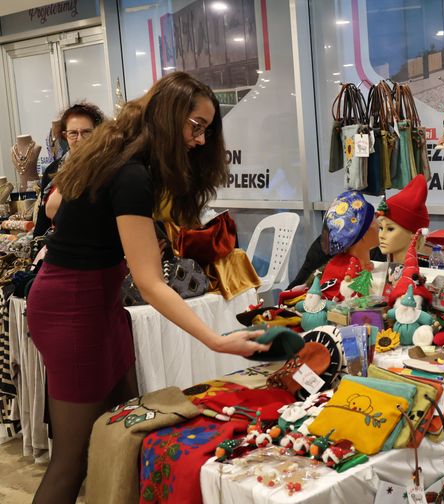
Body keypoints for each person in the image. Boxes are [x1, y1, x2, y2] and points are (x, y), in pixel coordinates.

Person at [26, 72, 270, 503]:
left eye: (206, 130)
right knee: (72, 460)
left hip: (97, 303)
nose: (199, 139)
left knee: (125, 431)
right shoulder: (130, 173)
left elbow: (59, 205)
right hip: (71, 308)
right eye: (195, 126)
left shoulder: (114, 153)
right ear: (168, 116)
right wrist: (216, 340)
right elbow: (150, 282)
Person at [34, 102, 106, 236]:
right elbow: (44, 218)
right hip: (58, 247)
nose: (80, 139)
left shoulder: (107, 168)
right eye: (73, 133)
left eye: (86, 132)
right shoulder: (53, 170)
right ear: (65, 135)